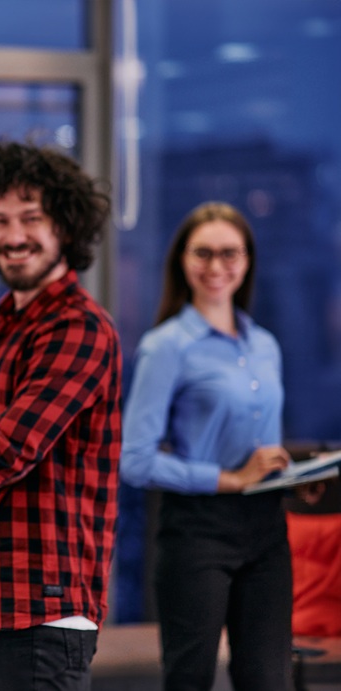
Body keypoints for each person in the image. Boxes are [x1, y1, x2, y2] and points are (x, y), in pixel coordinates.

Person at [0, 140, 122, 691]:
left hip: (43, 611)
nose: (13, 236)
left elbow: (8, 451)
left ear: (66, 226)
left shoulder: (81, 328)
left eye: (31, 219)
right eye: (0, 221)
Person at [120, 201, 293, 690]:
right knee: (190, 679)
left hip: (266, 530)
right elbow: (134, 460)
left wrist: (292, 476)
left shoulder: (265, 345)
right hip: (197, 531)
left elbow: (264, 445)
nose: (216, 266)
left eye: (229, 253)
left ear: (247, 260)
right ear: (182, 260)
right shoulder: (166, 346)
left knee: (268, 679)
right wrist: (230, 478)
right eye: (203, 253)